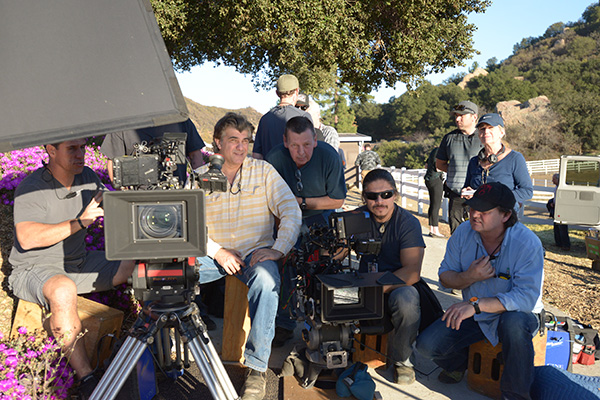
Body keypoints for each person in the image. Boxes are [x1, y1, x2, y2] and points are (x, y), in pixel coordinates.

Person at [8, 139, 136, 398]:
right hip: (33, 268)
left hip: (77, 262)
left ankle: (143, 353)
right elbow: (27, 238)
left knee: (135, 265)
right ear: (51, 150)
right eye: (72, 149)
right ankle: (88, 378)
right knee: (63, 289)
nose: (81, 155)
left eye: (83, 148)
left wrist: (129, 205)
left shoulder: (86, 176)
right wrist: (80, 222)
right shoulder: (30, 188)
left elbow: (107, 205)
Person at [194, 112, 301, 400]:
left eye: (246, 140)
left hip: (256, 252)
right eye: (233, 140)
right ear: (218, 142)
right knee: (172, 271)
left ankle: (256, 368)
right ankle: (171, 347)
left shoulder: (264, 171)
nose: (241, 147)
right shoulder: (202, 177)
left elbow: (291, 210)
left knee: (266, 282)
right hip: (214, 254)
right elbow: (188, 223)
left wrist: (278, 248)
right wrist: (217, 252)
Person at [416, 182, 544, 400]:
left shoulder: (527, 243)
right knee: (426, 346)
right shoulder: (463, 233)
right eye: (473, 208)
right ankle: (459, 363)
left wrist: (476, 306)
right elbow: (445, 276)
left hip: (515, 315)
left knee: (514, 324)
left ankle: (516, 395)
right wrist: (469, 277)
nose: (475, 214)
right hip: (475, 313)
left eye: (484, 211)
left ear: (505, 215)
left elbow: (526, 298)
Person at [354, 169, 442, 385]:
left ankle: (403, 360)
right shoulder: (356, 217)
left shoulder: (407, 222)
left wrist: (375, 288)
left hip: (395, 285)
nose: (379, 201)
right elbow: (336, 255)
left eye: (385, 194)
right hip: (363, 282)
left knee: (407, 299)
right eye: (372, 196)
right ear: (364, 197)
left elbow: (412, 272)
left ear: (395, 194)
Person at [265, 116, 346, 346]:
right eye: (294, 146)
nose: (301, 152)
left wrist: (300, 202)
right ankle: (284, 322)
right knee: (284, 264)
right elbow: (269, 202)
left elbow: (337, 200)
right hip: (285, 218)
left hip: (321, 218)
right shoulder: (274, 159)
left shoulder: (329, 156)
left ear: (316, 141)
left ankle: (324, 319)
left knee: (326, 264)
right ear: (285, 142)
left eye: (307, 145)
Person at [462, 113, 533, 217]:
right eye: (482, 128)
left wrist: (499, 197)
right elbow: (467, 186)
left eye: (491, 127)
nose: (486, 131)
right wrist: (467, 192)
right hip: (478, 217)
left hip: (503, 218)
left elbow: (527, 191)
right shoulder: (474, 161)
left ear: (501, 132)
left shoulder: (515, 158)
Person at [101, 118, 206, 184]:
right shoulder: (122, 123)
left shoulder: (181, 120)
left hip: (176, 195)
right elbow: (113, 162)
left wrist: (193, 185)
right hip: (137, 199)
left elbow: (195, 155)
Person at [436, 101, 482, 234]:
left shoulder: (484, 137)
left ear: (474, 117)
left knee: (479, 234)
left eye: (462, 115)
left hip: (479, 194)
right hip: (456, 194)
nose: (457, 119)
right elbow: (440, 164)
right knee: (457, 235)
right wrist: (457, 171)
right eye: (456, 115)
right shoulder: (448, 138)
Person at [252, 74, 312, 160]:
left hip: (269, 172)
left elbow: (257, 156)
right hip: (295, 172)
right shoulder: (303, 116)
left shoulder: (265, 119)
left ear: (277, 93)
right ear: (297, 91)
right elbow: (310, 151)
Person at [424, 147, 445, 238]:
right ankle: (435, 230)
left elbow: (426, 165)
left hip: (428, 179)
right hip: (436, 180)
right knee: (436, 205)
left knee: (432, 204)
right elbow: (438, 168)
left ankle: (431, 229)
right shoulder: (441, 153)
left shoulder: (434, 151)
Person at [547, 173, 570, 250]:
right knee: (557, 226)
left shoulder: (562, 188)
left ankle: (565, 245)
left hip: (561, 209)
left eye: (554, 179)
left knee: (562, 227)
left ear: (558, 179)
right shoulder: (557, 187)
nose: (552, 181)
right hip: (557, 208)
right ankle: (559, 243)